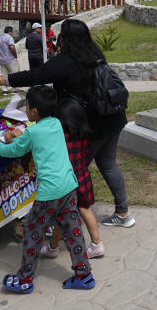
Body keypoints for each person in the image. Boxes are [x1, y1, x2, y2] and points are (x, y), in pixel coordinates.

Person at [0, 19, 133, 228]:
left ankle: (57, 222)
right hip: (113, 117)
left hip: (91, 124)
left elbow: (33, 76)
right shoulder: (94, 55)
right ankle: (122, 213)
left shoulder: (66, 61)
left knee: (70, 172)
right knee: (108, 165)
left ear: (65, 39)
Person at [0, 86, 95, 293]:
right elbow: (35, 140)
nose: (25, 109)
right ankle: (84, 275)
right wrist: (19, 136)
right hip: (69, 187)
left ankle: (25, 280)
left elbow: (14, 151)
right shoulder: (55, 123)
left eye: (27, 106)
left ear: (34, 111)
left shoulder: (33, 131)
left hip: (49, 194)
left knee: (32, 233)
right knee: (72, 231)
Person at [42, 97, 105, 260]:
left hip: (67, 182)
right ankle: (96, 244)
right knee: (85, 209)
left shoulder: (61, 139)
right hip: (83, 177)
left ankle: (53, 247)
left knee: (60, 215)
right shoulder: (84, 135)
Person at [0, 26, 19, 92]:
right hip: (10, 59)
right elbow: (12, 47)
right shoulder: (9, 38)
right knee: (15, 74)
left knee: (4, 75)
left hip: (2, 59)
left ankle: (4, 90)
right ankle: (14, 89)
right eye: (12, 32)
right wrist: (15, 55)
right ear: (10, 31)